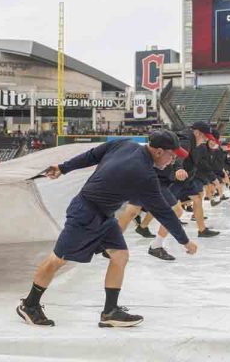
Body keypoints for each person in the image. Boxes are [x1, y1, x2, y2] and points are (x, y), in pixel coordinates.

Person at [17, 130, 198, 328]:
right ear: (159, 151)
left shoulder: (125, 144)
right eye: (172, 155)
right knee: (57, 259)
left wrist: (63, 167)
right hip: (85, 213)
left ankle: (110, 311)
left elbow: (92, 155)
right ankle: (29, 304)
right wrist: (185, 241)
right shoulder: (143, 174)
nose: (173, 161)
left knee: (120, 255)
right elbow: (164, 212)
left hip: (105, 215)